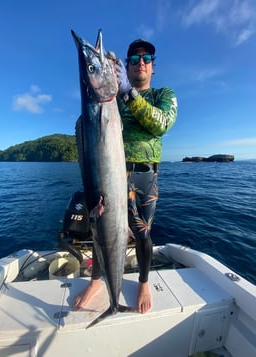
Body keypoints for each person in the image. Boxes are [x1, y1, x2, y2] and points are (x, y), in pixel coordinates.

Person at [73, 39, 178, 314]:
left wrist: (129, 92)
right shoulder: (114, 97)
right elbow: (90, 121)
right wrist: (109, 79)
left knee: (143, 234)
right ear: (126, 67)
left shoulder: (163, 95)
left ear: (153, 66)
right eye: (133, 59)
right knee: (99, 227)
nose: (140, 63)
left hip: (144, 177)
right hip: (109, 173)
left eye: (146, 58)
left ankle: (143, 282)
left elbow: (161, 123)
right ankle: (97, 280)